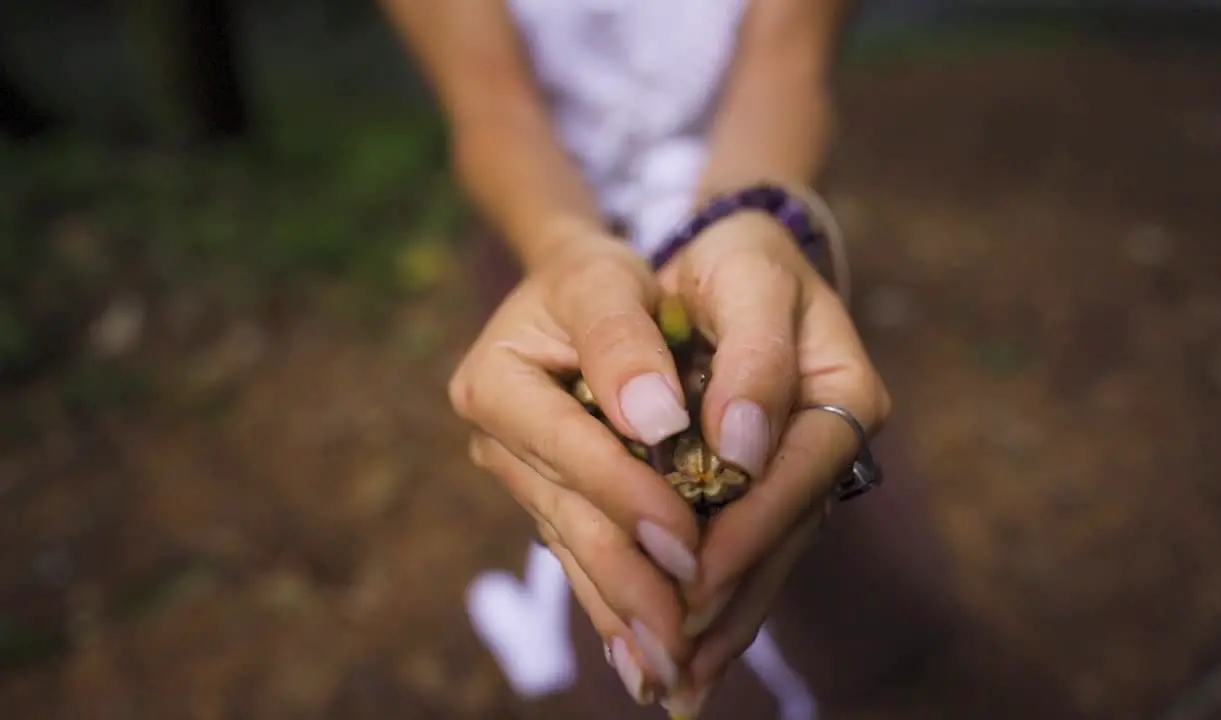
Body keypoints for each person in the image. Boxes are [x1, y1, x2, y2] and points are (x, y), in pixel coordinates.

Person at [381, 1, 1079, 718]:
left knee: (840, 547)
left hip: (758, 233)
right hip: (549, 232)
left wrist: (749, 221)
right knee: (627, 559)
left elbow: (787, 59)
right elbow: (493, 105)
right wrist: (563, 249)